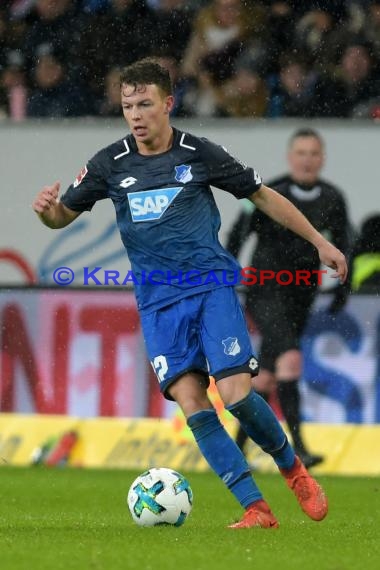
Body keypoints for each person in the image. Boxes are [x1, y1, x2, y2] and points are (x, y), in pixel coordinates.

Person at [32, 58, 348, 529]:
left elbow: (262, 195)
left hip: (209, 289)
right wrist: (46, 211)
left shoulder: (199, 153)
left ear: (167, 103)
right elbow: (61, 218)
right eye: (127, 106)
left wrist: (319, 242)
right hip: (158, 303)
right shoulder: (108, 164)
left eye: (144, 104)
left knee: (238, 395)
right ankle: (255, 509)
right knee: (192, 401)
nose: (135, 115)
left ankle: (292, 469)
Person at [227, 128, 351, 469]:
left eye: (314, 153)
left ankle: (237, 449)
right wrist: (225, 279)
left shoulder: (333, 198)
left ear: (322, 158)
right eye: (301, 153)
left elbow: (343, 245)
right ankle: (298, 449)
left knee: (266, 375)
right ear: (290, 156)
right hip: (265, 290)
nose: (307, 160)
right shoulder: (269, 193)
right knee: (291, 359)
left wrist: (343, 287)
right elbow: (236, 238)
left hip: (302, 294)